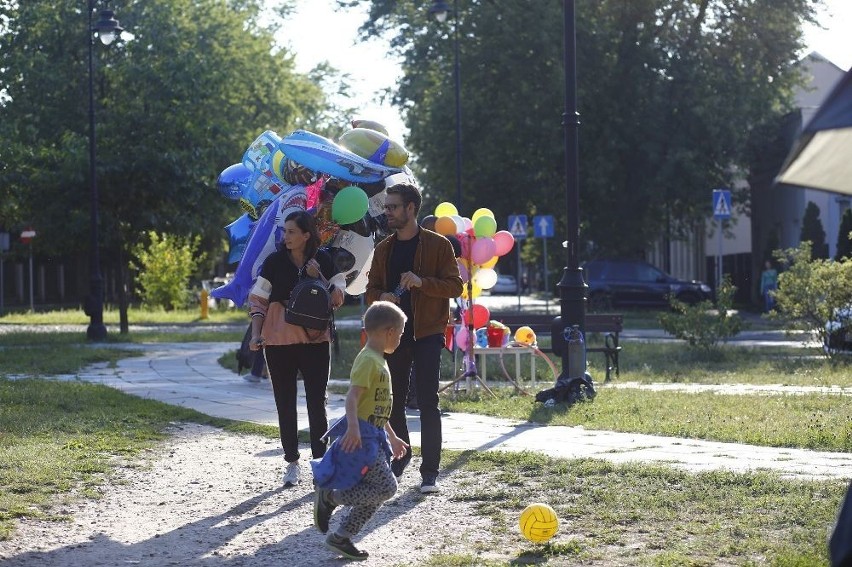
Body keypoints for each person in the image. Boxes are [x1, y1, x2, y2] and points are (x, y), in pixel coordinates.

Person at [366, 183, 463, 494]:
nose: (387, 212)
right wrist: (381, 295)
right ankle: (400, 458)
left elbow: (454, 286)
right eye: (387, 207)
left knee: (428, 400)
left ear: (411, 209)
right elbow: (370, 292)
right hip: (393, 335)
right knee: (391, 400)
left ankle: (430, 471)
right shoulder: (383, 249)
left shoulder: (438, 245)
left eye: (393, 207)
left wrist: (422, 282)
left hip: (428, 331)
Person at [248, 210, 345, 487]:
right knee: (285, 402)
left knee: (317, 402)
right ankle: (291, 462)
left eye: (292, 232)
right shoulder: (274, 262)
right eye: (285, 231)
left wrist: (322, 279)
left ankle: (320, 462)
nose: (286, 236)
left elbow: (338, 298)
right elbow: (258, 301)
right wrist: (256, 335)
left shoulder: (324, 259)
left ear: (306, 235)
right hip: (278, 341)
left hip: (315, 340)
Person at [312, 301, 409, 560]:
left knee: (376, 493)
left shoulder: (378, 359)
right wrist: (353, 429)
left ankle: (341, 537)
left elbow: (376, 407)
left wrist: (392, 436)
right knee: (387, 488)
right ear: (389, 331)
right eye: (399, 334)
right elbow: (352, 399)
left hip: (375, 436)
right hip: (364, 438)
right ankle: (330, 497)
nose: (400, 339)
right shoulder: (368, 360)